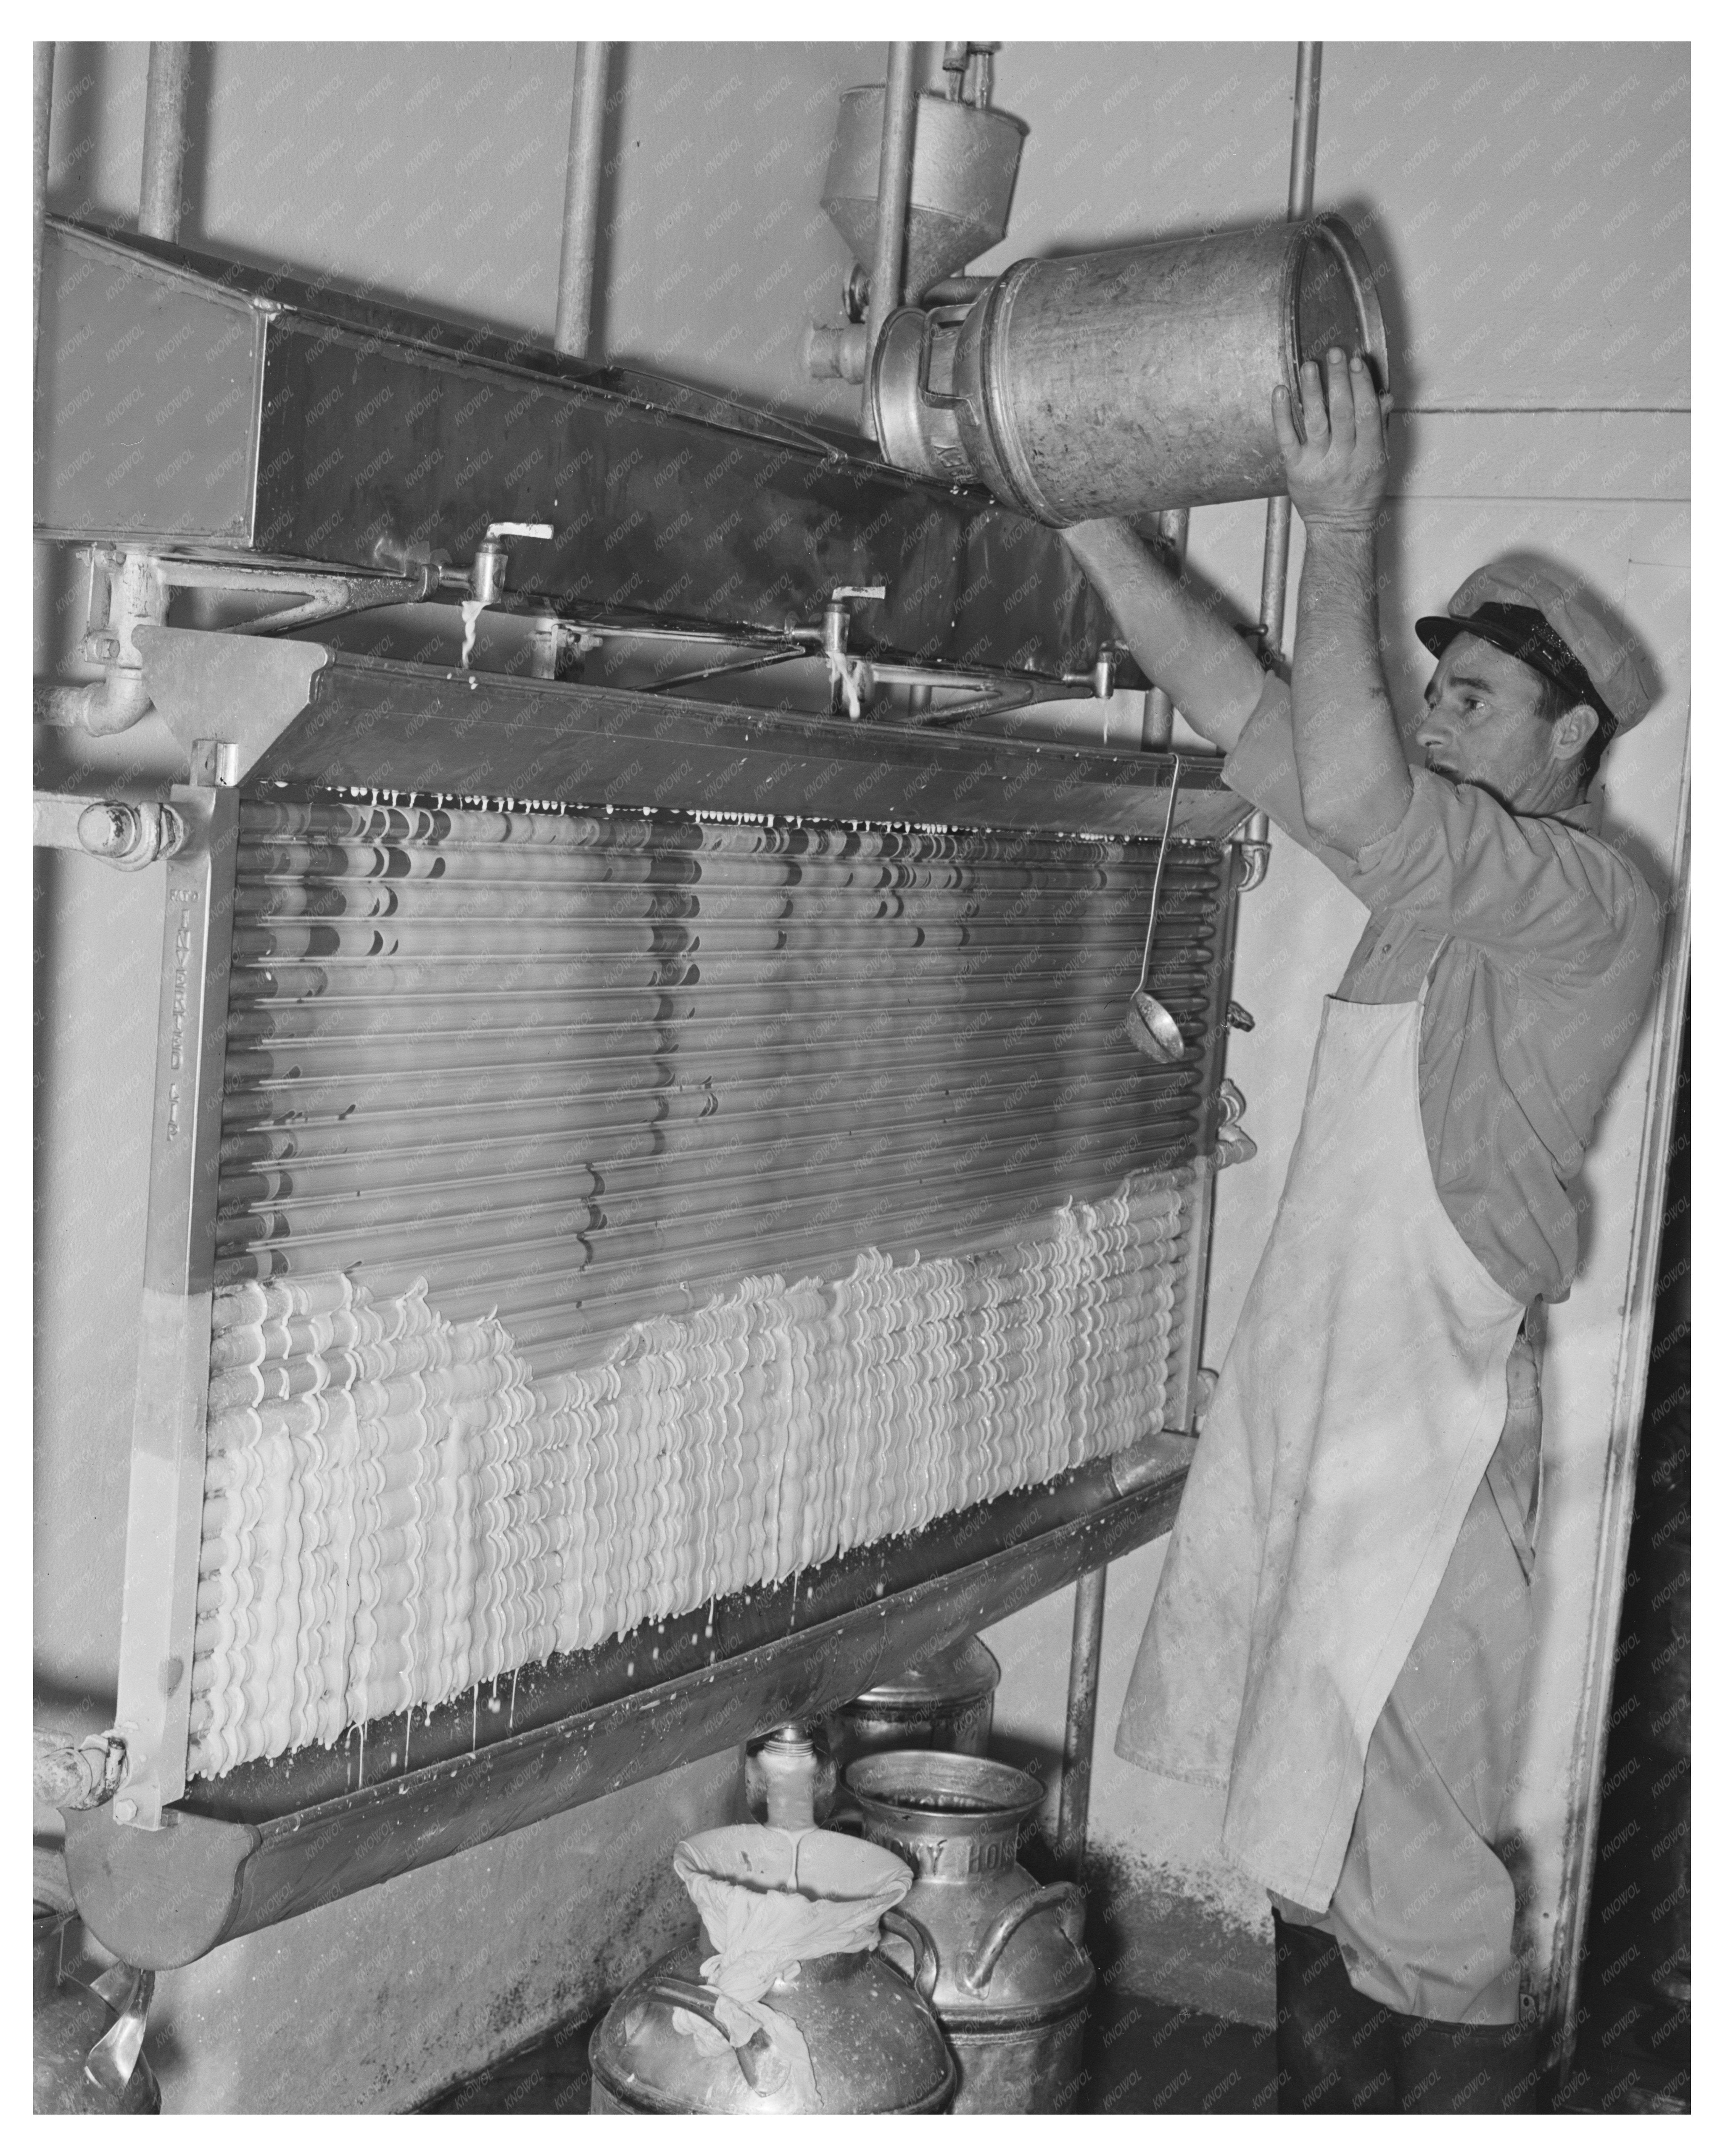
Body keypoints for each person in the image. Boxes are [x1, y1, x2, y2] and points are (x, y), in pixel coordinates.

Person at [1063, 348, 1661, 2114]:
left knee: (1422, 1883)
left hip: (1434, 1428)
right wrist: (1087, 525)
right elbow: (1243, 700)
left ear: (1570, 734)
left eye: (1470, 696)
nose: (1436, 716)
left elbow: (1357, 791)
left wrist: (1338, 521)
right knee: (1302, 1829)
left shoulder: (1580, 895)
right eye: (1438, 692)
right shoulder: (1425, 889)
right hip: (1326, 1394)